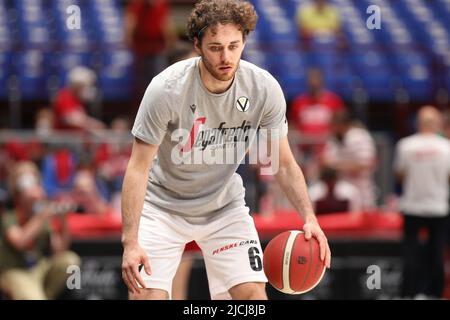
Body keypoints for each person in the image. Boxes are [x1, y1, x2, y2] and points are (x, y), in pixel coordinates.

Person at [121, 0, 331, 300]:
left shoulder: (263, 88)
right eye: (215, 47)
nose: (226, 56)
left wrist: (309, 217)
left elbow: (282, 164)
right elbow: (138, 168)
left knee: (252, 297)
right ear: (197, 44)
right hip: (162, 207)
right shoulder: (165, 88)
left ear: (244, 40)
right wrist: (130, 241)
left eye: (234, 45)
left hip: (223, 207)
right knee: (146, 296)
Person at [0, 162, 80, 300]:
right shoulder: (10, 217)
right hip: (15, 271)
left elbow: (59, 250)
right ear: (18, 194)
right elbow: (20, 241)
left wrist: (63, 221)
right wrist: (42, 215)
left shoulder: (43, 219)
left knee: (70, 260)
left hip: (38, 269)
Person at [394, 106, 450, 299]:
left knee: (410, 253)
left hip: (413, 206)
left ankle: (408, 293)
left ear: (418, 123)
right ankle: (435, 293)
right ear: (437, 124)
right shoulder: (446, 147)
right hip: (438, 207)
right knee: (437, 253)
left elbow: (400, 176)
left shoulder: (405, 145)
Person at [321, 111, 377, 211]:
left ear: (343, 124)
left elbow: (366, 164)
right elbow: (325, 161)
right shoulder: (333, 139)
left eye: (336, 125)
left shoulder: (359, 137)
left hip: (361, 191)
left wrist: (337, 166)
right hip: (341, 193)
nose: (333, 129)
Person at [125, 0, 178, 99]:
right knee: (143, 83)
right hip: (140, 49)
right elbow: (131, 22)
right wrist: (128, 38)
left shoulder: (161, 4)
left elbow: (166, 23)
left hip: (157, 49)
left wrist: (171, 41)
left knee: (160, 80)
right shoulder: (137, 4)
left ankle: (159, 103)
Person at [52, 66, 106, 132]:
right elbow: (70, 119)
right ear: (77, 85)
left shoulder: (78, 100)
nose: (87, 88)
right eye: (84, 85)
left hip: (74, 139)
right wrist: (94, 124)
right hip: (63, 140)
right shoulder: (65, 96)